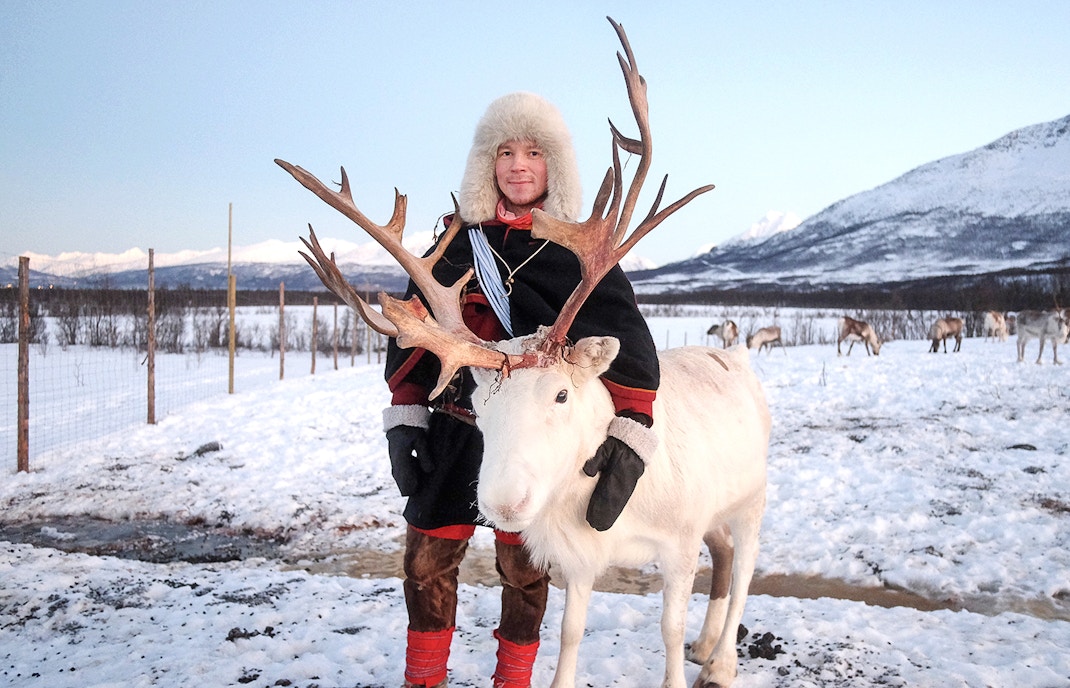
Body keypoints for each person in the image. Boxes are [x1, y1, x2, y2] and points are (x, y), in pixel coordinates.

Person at [382, 91, 660, 688]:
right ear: (487, 165)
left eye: (533, 152)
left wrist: (632, 428)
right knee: (428, 559)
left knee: (525, 567)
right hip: (457, 421)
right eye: (504, 152)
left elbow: (627, 341)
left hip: (532, 436)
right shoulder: (454, 243)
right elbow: (413, 328)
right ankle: (423, 678)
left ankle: (514, 681)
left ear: (552, 166)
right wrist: (407, 410)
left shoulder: (578, 252)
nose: (518, 165)